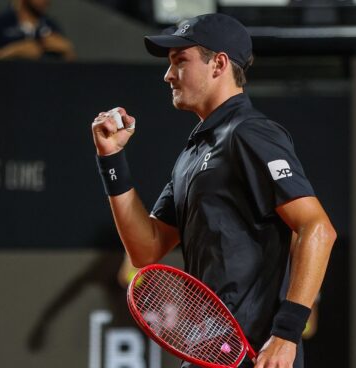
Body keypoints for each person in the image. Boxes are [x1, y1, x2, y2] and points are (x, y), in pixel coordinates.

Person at [90, 13, 336, 368]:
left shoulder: (250, 133)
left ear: (219, 64)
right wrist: (111, 160)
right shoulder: (191, 155)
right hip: (212, 352)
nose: (168, 75)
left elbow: (317, 228)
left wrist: (286, 334)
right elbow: (147, 249)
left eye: (180, 62)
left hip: (258, 353)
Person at [0, 0, 75, 61]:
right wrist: (13, 52)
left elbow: (71, 68)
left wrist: (67, 51)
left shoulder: (51, 25)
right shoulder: (0, 23)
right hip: (10, 83)